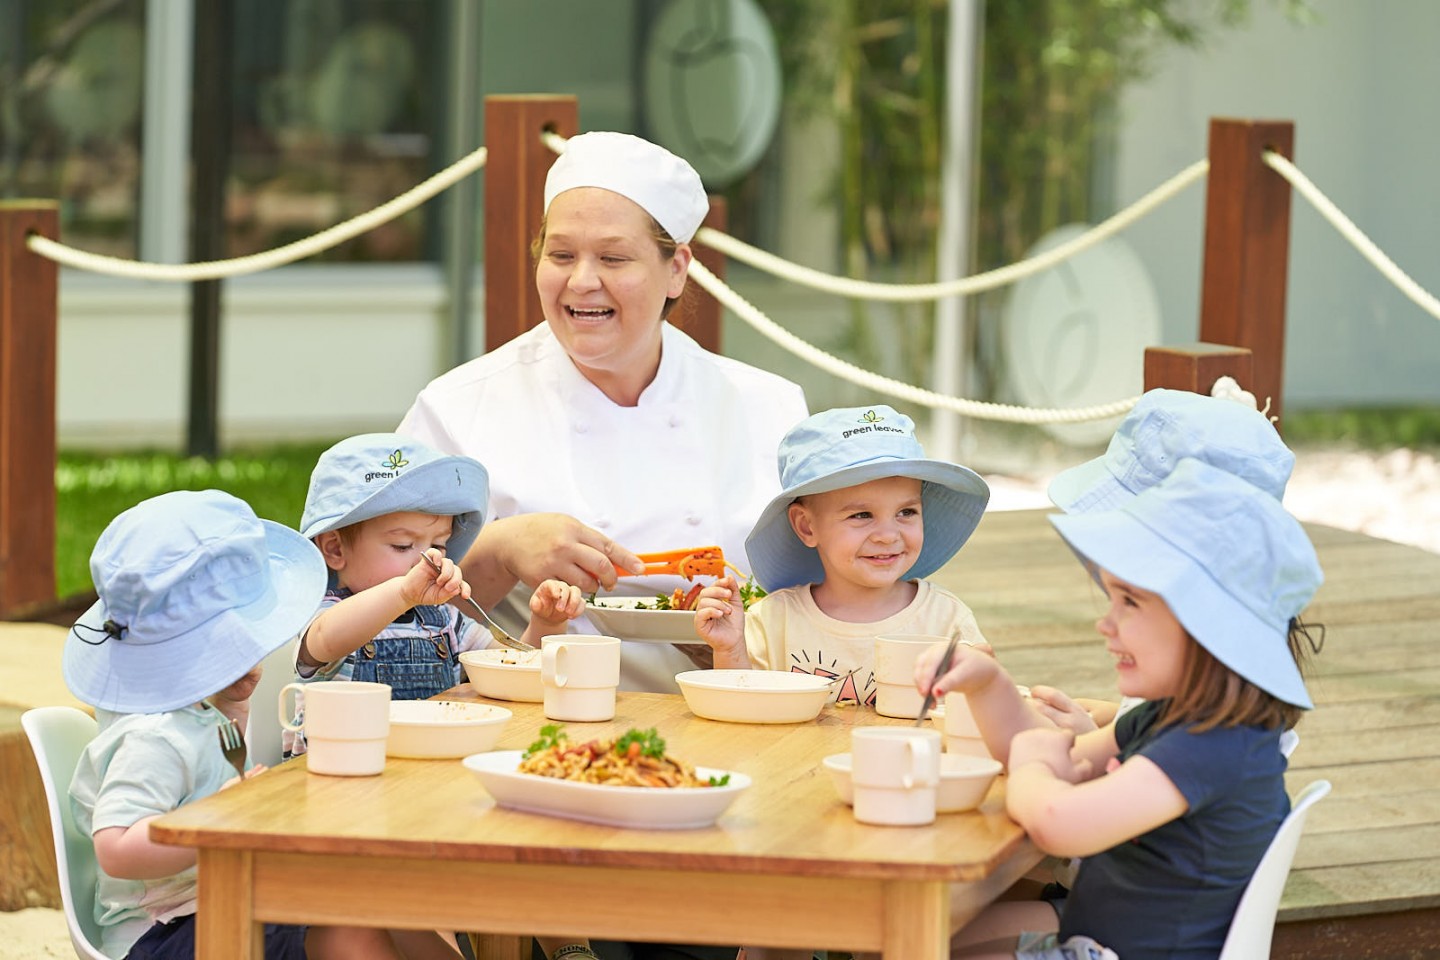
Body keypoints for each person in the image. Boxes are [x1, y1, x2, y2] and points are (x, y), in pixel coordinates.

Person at [399, 130, 809, 695]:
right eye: (561, 255)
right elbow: (381, 614)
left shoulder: (767, 408)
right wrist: (502, 549)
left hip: (728, 716)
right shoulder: (458, 408)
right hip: (532, 718)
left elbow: (832, 597)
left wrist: (743, 637)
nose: (582, 281)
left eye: (613, 258)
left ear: (677, 269)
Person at [913, 458, 1324, 960]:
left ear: (1207, 627)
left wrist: (1034, 766)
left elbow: (1056, 820)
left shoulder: (1212, 747)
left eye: (1129, 603)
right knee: (918, 940)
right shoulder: (1173, 718)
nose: (1105, 624)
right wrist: (988, 684)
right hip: (1093, 942)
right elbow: (1054, 754)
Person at [64, 489, 448, 959]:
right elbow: (116, 848)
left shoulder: (204, 710)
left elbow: (209, 775)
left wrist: (235, 714)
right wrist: (214, 820)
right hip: (166, 930)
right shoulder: (151, 737)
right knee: (349, 933)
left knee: (382, 903)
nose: (254, 656)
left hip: (224, 896)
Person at [290, 433, 597, 960]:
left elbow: (508, 667)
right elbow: (324, 642)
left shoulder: (444, 619)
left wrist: (544, 624)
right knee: (422, 912)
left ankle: (570, 947)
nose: (427, 561)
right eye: (403, 546)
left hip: (437, 790)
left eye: (437, 545)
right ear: (335, 548)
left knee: (532, 829)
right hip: (348, 807)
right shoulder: (323, 612)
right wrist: (401, 593)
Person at [1031, 386, 1298, 732]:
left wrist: (1090, 741)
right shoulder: (1215, 659)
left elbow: (1170, 750)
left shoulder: (1208, 711)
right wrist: (1118, 720)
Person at [694, 404, 991, 706]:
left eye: (906, 512)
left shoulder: (946, 619)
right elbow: (741, 710)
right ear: (806, 526)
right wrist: (730, 650)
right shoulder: (774, 622)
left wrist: (985, 684)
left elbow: (981, 714)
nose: (888, 535)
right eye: (862, 515)